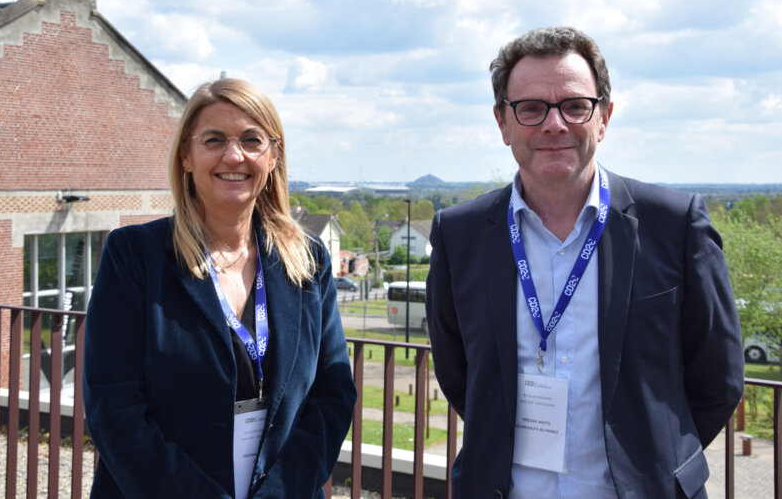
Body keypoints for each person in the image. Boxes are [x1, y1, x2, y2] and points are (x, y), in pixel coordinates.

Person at [425, 26, 744, 499]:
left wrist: (658, 463)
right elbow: (458, 374)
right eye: (531, 108)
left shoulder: (675, 226)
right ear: (503, 123)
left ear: (604, 118)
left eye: (575, 106)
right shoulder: (460, 235)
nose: (555, 124)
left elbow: (719, 378)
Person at [83, 78, 357, 498]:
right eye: (213, 140)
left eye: (251, 140)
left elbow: (332, 396)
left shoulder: (308, 260)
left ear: (273, 156)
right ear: (186, 157)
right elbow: (113, 407)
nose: (234, 156)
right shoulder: (135, 256)